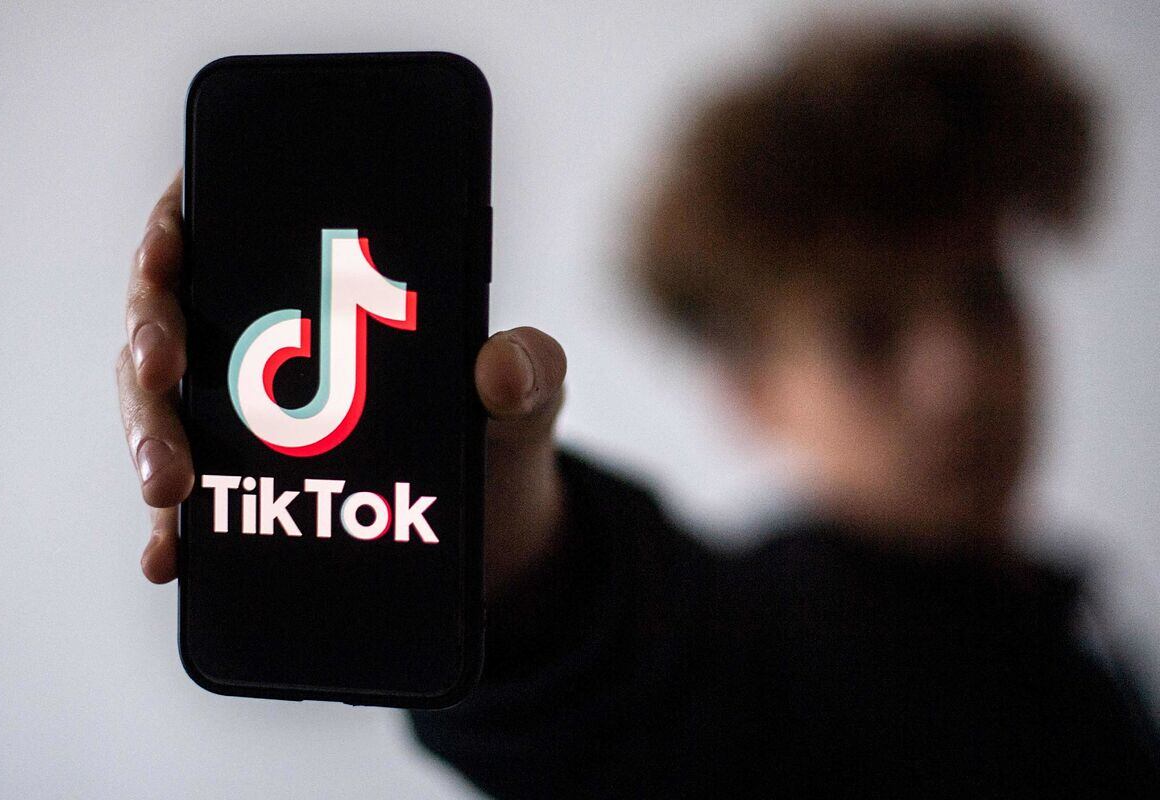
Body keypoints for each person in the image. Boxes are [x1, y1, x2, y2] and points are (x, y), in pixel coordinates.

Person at [116, 13, 1160, 797]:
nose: (959, 375)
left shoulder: (1064, 617)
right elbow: (649, 678)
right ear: (752, 393)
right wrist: (506, 559)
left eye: (983, 296)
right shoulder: (779, 649)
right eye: (867, 332)